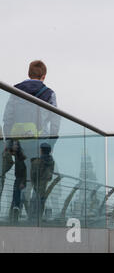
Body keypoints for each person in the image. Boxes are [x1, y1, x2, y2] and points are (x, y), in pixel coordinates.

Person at [2, 60, 61, 218]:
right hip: (40, 141)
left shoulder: (15, 91)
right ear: (43, 76)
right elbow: (55, 121)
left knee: (20, 175)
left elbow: (7, 118)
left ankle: (16, 207)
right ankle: (36, 214)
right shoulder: (49, 93)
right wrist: (51, 143)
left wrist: (9, 141)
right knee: (40, 178)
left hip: (19, 140)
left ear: (29, 74)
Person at [2, 139, 27, 223]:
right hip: (7, 181)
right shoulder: (5, 155)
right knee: (8, 199)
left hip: (17, 181)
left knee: (15, 200)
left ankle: (12, 218)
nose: (16, 146)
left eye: (17, 145)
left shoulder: (19, 157)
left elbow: (24, 170)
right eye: (14, 144)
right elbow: (3, 168)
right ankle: (9, 217)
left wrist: (23, 182)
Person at [30, 143, 55, 221]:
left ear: (41, 150)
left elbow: (33, 175)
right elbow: (50, 176)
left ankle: (34, 218)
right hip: (46, 185)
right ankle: (39, 218)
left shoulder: (37, 162)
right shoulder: (51, 162)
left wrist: (34, 184)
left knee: (34, 202)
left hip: (37, 186)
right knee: (42, 202)